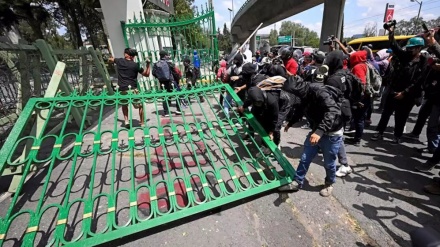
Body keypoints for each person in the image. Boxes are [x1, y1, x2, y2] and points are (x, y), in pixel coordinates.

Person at [279, 76, 344, 197]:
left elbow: (333, 111)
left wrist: (319, 131)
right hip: (316, 131)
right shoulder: (302, 96)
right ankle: (297, 181)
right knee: (305, 158)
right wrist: (291, 123)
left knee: (329, 163)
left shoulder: (319, 91)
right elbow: (299, 110)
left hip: (331, 133)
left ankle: (329, 183)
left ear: (298, 90)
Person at [371, 26, 428, 144]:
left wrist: (404, 93)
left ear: (419, 48)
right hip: (394, 89)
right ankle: (379, 132)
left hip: (408, 94)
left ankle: (397, 136)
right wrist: (391, 32)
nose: (409, 50)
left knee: (401, 116)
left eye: (412, 49)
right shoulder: (404, 56)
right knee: (386, 113)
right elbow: (394, 46)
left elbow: (418, 81)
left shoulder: (423, 61)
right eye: (408, 48)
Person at [323, 50, 353, 176]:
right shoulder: (345, 73)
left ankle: (344, 164)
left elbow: (328, 99)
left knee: (336, 136)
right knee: (338, 136)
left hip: (336, 110)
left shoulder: (333, 80)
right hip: (345, 108)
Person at [108, 48, 150, 128]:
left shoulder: (119, 61)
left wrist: (110, 59)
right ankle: (142, 123)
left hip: (122, 89)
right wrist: (148, 65)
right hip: (132, 89)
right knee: (140, 105)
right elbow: (147, 74)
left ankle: (126, 121)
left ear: (127, 54)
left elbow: (110, 60)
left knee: (124, 105)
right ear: (133, 56)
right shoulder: (135, 65)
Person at [347, 50, 370, 146]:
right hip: (366, 96)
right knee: (360, 118)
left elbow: (361, 83)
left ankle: (357, 140)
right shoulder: (365, 64)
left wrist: (357, 100)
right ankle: (357, 137)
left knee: (359, 119)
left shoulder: (358, 67)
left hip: (361, 97)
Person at [152, 50, 182, 116]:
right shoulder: (169, 63)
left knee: (165, 96)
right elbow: (175, 73)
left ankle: (166, 112)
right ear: (165, 55)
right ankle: (178, 110)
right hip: (171, 82)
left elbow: (153, 73)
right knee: (178, 94)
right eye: (167, 55)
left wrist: (160, 77)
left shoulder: (156, 64)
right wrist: (178, 80)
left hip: (162, 83)